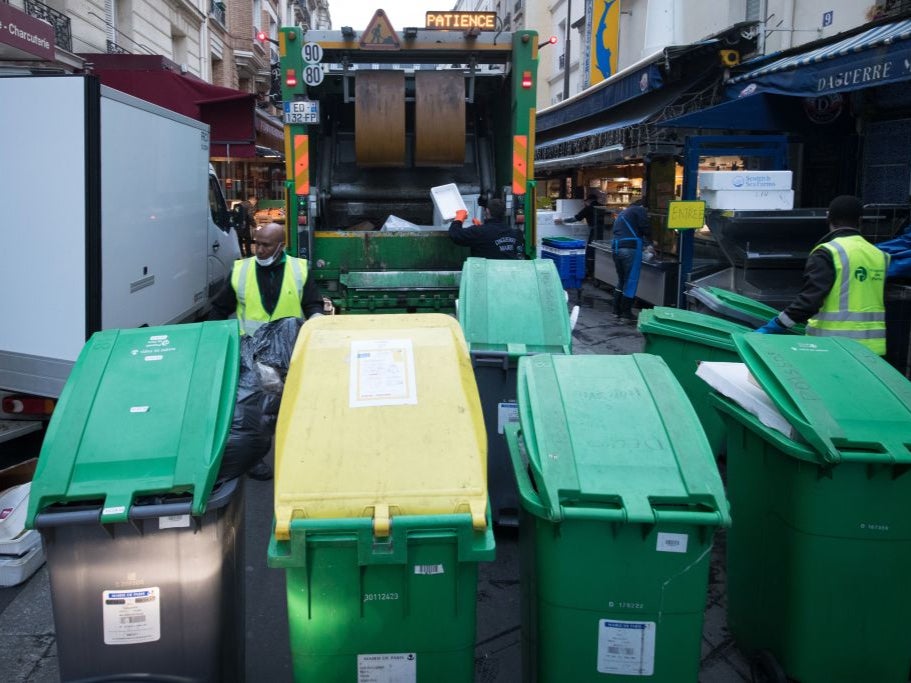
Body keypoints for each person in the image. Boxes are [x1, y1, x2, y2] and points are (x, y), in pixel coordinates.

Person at [209, 222, 326, 479]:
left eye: (266, 245)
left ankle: (298, 455)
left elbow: (313, 304)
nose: (259, 250)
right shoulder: (241, 270)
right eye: (256, 244)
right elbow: (219, 308)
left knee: (292, 407)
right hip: (252, 354)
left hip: (288, 353)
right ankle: (254, 459)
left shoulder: (299, 270)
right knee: (253, 413)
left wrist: (317, 321)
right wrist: (215, 341)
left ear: (280, 246)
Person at [756, 195, 888, 355]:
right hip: (873, 351)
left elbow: (809, 302)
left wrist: (776, 325)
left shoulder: (828, 252)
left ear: (828, 218)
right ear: (860, 220)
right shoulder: (880, 255)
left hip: (833, 347)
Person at [611, 198, 652, 320]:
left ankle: (616, 310)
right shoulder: (639, 210)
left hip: (617, 248)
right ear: (643, 206)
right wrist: (652, 242)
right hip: (630, 250)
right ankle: (626, 312)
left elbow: (633, 230)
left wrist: (645, 243)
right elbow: (645, 227)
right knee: (631, 281)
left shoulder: (624, 212)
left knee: (622, 280)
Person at [448, 198, 525, 259]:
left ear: (487, 211)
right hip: (508, 275)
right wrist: (481, 228)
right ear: (505, 213)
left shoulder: (479, 232)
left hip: (486, 276)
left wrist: (459, 218)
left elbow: (455, 234)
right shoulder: (516, 234)